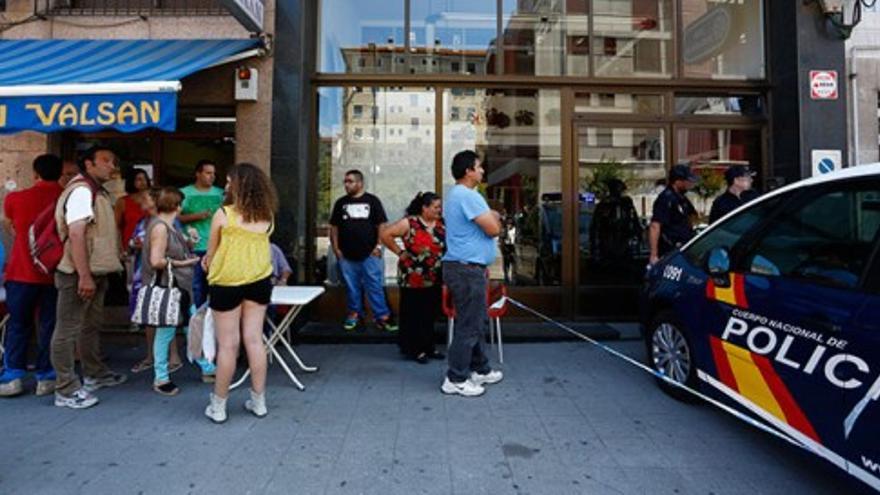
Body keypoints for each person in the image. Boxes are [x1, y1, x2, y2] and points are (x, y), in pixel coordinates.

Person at [50, 146, 127, 409]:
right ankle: (66, 388)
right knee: (67, 329)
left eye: (113, 161)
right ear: (89, 164)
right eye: (105, 160)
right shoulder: (82, 191)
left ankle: (94, 374)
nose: (111, 166)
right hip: (77, 274)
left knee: (89, 326)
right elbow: (76, 234)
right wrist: (83, 275)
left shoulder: (97, 190)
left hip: (96, 272)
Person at [202, 163, 277, 423]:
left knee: (228, 346)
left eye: (228, 181)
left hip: (226, 283)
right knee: (255, 341)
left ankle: (219, 406)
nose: (225, 185)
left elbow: (211, 253)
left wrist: (209, 260)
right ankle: (259, 402)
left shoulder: (223, 214)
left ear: (238, 185)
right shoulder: (267, 215)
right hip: (259, 281)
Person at [441, 150, 503, 397]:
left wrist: (491, 217)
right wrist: (495, 217)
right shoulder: (467, 195)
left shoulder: (461, 195)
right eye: (479, 167)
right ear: (468, 171)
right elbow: (493, 229)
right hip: (466, 269)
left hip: (466, 268)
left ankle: (480, 368)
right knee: (469, 325)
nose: (482, 170)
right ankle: (455, 378)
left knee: (476, 321)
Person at [142, 187, 216, 396]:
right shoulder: (160, 228)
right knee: (166, 332)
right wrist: (186, 262)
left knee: (193, 326)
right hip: (169, 289)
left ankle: (207, 367)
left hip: (180, 289)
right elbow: (156, 261)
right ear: (177, 205)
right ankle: (161, 378)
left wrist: (189, 243)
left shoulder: (167, 226)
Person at [0, 154, 63, 397]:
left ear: (35, 173)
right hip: (54, 272)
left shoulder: (15, 198)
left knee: (18, 324)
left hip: (21, 271)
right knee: (49, 325)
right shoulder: (63, 199)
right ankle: (46, 377)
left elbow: (11, 226)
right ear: (60, 174)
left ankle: (12, 377)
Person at [380, 192, 446, 364]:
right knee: (413, 312)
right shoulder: (410, 223)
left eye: (440, 207)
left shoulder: (441, 224)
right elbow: (386, 235)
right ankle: (413, 349)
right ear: (424, 208)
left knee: (430, 312)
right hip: (412, 275)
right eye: (435, 207)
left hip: (434, 274)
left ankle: (429, 346)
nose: (439, 210)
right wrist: (400, 252)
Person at [329, 170, 397, 332]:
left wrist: (378, 246)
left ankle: (382, 317)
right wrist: (336, 248)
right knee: (352, 287)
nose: (346, 184)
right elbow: (334, 227)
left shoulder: (372, 201)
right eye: (345, 181)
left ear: (360, 183)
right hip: (346, 255)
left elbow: (381, 225)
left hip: (370, 254)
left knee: (374, 285)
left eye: (350, 181)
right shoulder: (340, 203)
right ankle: (354, 315)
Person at [128, 189, 183, 375]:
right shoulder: (144, 222)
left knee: (166, 315)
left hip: (163, 275)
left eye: (146, 198)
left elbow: (173, 249)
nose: (141, 201)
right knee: (151, 316)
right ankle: (154, 359)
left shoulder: (166, 223)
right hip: (144, 273)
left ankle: (170, 360)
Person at [180, 159, 225, 308]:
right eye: (208, 173)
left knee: (216, 285)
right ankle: (197, 318)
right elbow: (174, 217)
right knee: (197, 286)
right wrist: (196, 216)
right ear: (197, 174)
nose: (212, 176)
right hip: (195, 245)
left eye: (213, 174)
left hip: (218, 246)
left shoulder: (221, 194)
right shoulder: (185, 193)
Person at [648, 164, 698, 266]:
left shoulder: (682, 198)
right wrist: (654, 254)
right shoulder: (666, 199)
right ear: (677, 181)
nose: (689, 184)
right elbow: (655, 226)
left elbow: (692, 215)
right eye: (687, 181)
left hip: (684, 246)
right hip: (670, 249)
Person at [114, 168, 151, 254]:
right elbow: (117, 227)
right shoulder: (122, 202)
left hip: (150, 245)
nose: (143, 182)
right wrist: (120, 249)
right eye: (139, 179)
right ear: (131, 181)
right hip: (129, 247)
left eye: (145, 179)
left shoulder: (153, 200)